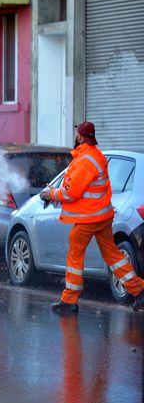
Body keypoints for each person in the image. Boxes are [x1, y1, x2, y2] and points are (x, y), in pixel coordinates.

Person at [42, 121, 144, 313]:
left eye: (77, 133)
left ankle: (69, 300)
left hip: (88, 218)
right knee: (113, 255)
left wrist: (52, 194)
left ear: (80, 136)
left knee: (75, 252)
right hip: (102, 216)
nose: (76, 136)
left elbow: (70, 193)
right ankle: (139, 290)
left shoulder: (85, 160)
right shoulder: (96, 155)